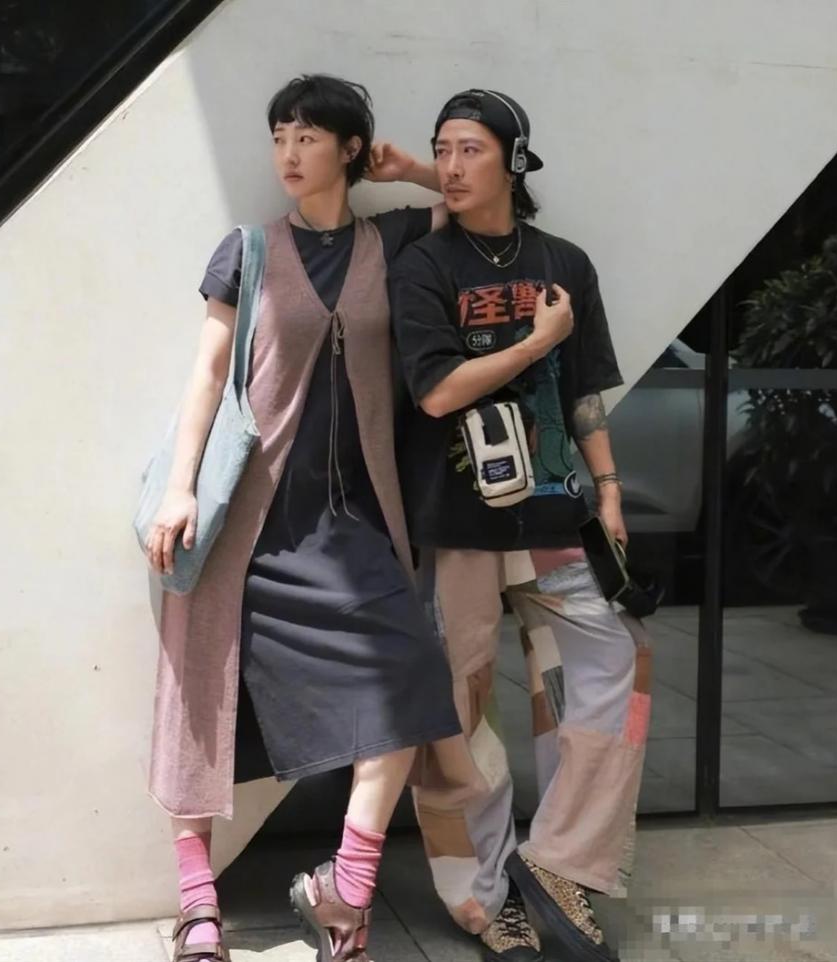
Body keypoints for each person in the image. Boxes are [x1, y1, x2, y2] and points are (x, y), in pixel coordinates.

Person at [146, 74, 465, 962]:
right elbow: (208, 375)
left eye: (308, 137)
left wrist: (413, 171)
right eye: (279, 135)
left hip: (351, 525)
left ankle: (344, 893)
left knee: (409, 682)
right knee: (199, 702)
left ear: (349, 150)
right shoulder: (248, 251)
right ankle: (198, 908)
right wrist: (180, 488)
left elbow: (472, 206)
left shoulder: (391, 241)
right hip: (249, 526)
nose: (287, 153)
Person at [389, 89, 652, 962]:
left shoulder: (564, 263)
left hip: (555, 513)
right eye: (442, 150)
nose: (452, 165)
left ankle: (559, 862)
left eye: (469, 149)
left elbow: (584, 392)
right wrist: (535, 342)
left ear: (514, 159)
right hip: (458, 520)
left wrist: (608, 491)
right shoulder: (424, 267)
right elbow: (436, 392)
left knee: (617, 661)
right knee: (460, 709)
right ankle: (482, 899)